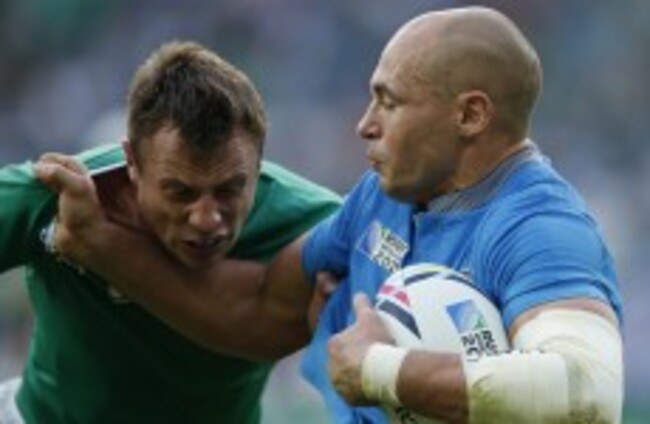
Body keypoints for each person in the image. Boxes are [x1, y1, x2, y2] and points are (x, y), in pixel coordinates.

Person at [38, 6, 624, 423]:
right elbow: (259, 305)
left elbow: (585, 392)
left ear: (470, 115)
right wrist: (105, 247)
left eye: (389, 101)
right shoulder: (381, 198)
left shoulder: (541, 230)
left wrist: (381, 370)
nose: (365, 123)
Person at [0, 40, 341, 423]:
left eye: (229, 190)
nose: (206, 219)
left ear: (260, 159)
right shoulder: (61, 194)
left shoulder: (315, 227)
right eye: (180, 192)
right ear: (132, 162)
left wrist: (104, 246)